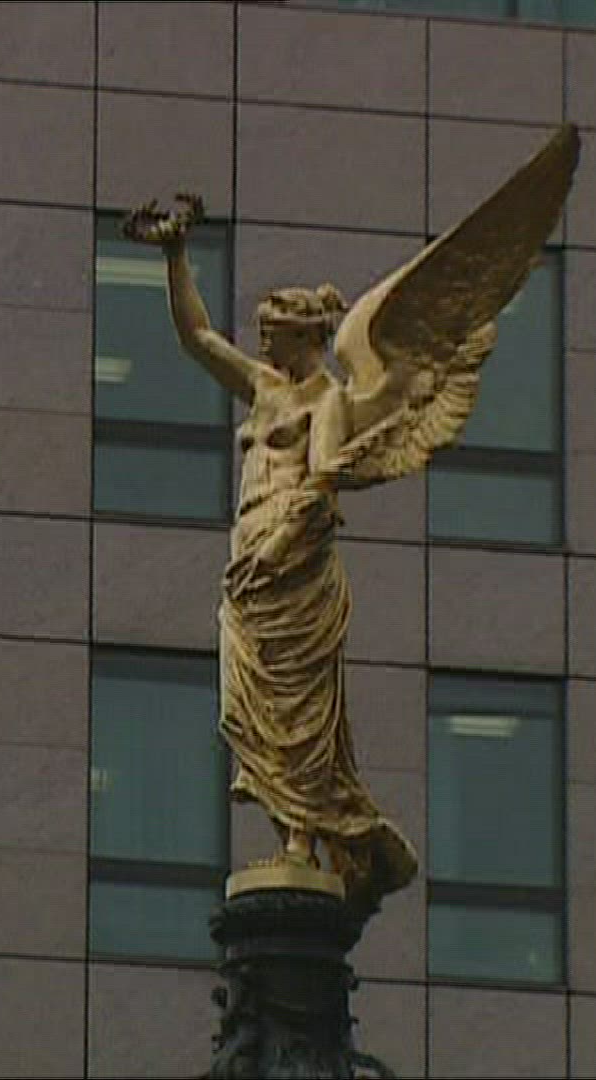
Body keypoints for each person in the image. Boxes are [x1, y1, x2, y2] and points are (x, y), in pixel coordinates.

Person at [123, 197, 419, 913]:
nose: (261, 347)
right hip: (249, 566)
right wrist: (175, 255)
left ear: (304, 336)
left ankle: (302, 842)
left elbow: (323, 483)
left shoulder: (328, 402)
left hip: (295, 565)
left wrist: (281, 546)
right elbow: (197, 336)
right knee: (248, 706)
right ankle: (304, 836)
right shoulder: (263, 386)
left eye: (270, 336)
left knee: (299, 711)